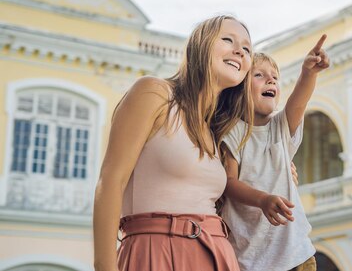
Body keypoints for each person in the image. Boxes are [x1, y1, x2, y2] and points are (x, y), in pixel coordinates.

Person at [93, 16, 254, 271]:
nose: (239, 51)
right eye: (227, 39)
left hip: (219, 255)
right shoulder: (155, 93)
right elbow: (111, 180)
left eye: (247, 49)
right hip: (155, 251)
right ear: (200, 45)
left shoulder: (215, 133)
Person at [221, 35, 330, 271]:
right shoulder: (231, 134)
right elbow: (228, 183)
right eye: (259, 75)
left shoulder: (280, 127)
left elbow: (298, 102)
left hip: (297, 255)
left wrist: (308, 73)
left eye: (275, 77)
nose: (270, 79)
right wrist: (263, 199)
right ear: (238, 89)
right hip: (251, 259)